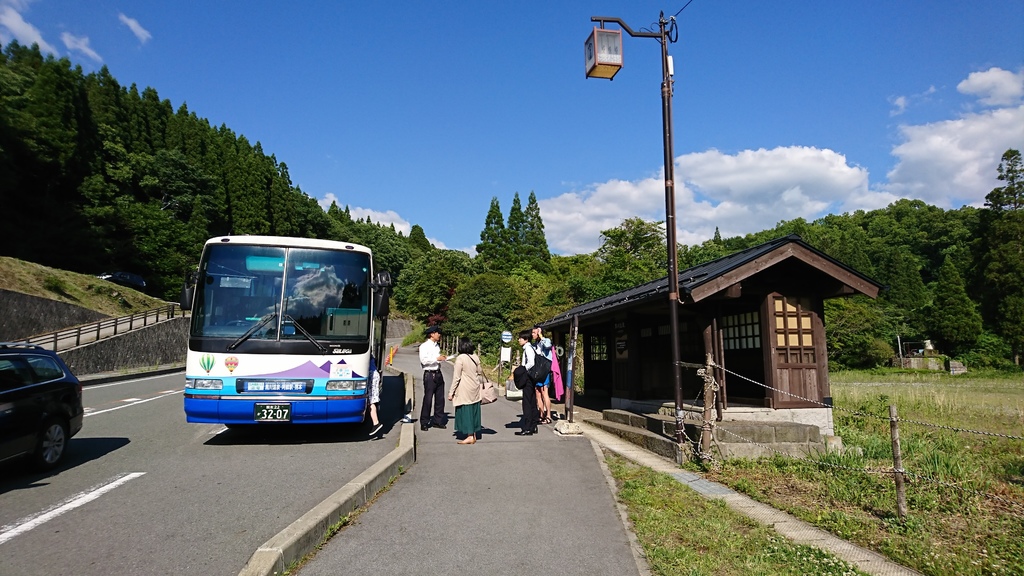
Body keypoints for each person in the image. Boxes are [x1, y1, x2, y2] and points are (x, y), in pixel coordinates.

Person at [447, 337, 482, 445]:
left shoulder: (460, 358)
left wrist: (451, 392)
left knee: (466, 410)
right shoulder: (475, 357)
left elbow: (457, 377)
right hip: (475, 386)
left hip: (465, 387)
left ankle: (470, 436)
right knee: (473, 409)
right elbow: (479, 371)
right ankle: (474, 434)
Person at [418, 325, 447, 431]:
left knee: (440, 399)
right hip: (429, 374)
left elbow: (437, 359)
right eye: (437, 333)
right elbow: (424, 360)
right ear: (432, 334)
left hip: (438, 373)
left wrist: (441, 358)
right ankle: (424, 422)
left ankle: (437, 421)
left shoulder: (437, 346)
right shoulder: (424, 346)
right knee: (428, 398)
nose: (439, 335)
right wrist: (436, 358)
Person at [513, 329, 539, 436]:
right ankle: (533, 425)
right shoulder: (530, 348)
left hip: (528, 378)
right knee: (532, 402)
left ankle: (528, 427)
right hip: (531, 378)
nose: (519, 340)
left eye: (520, 338)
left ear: (526, 339)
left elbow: (531, 363)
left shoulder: (528, 348)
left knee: (527, 403)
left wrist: (523, 370)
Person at [532, 325, 553, 424]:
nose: (533, 334)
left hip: (545, 370)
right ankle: (541, 414)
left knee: (545, 393)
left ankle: (548, 415)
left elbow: (548, 346)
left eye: (534, 333)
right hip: (537, 370)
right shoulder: (535, 344)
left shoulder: (545, 341)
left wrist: (541, 335)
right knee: (538, 392)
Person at [367, 356, 383, 437]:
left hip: (372, 376)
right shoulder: (371, 357)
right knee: (372, 400)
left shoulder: (366, 356)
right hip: (374, 375)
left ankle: (376, 423)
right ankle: (375, 422)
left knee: (371, 401)